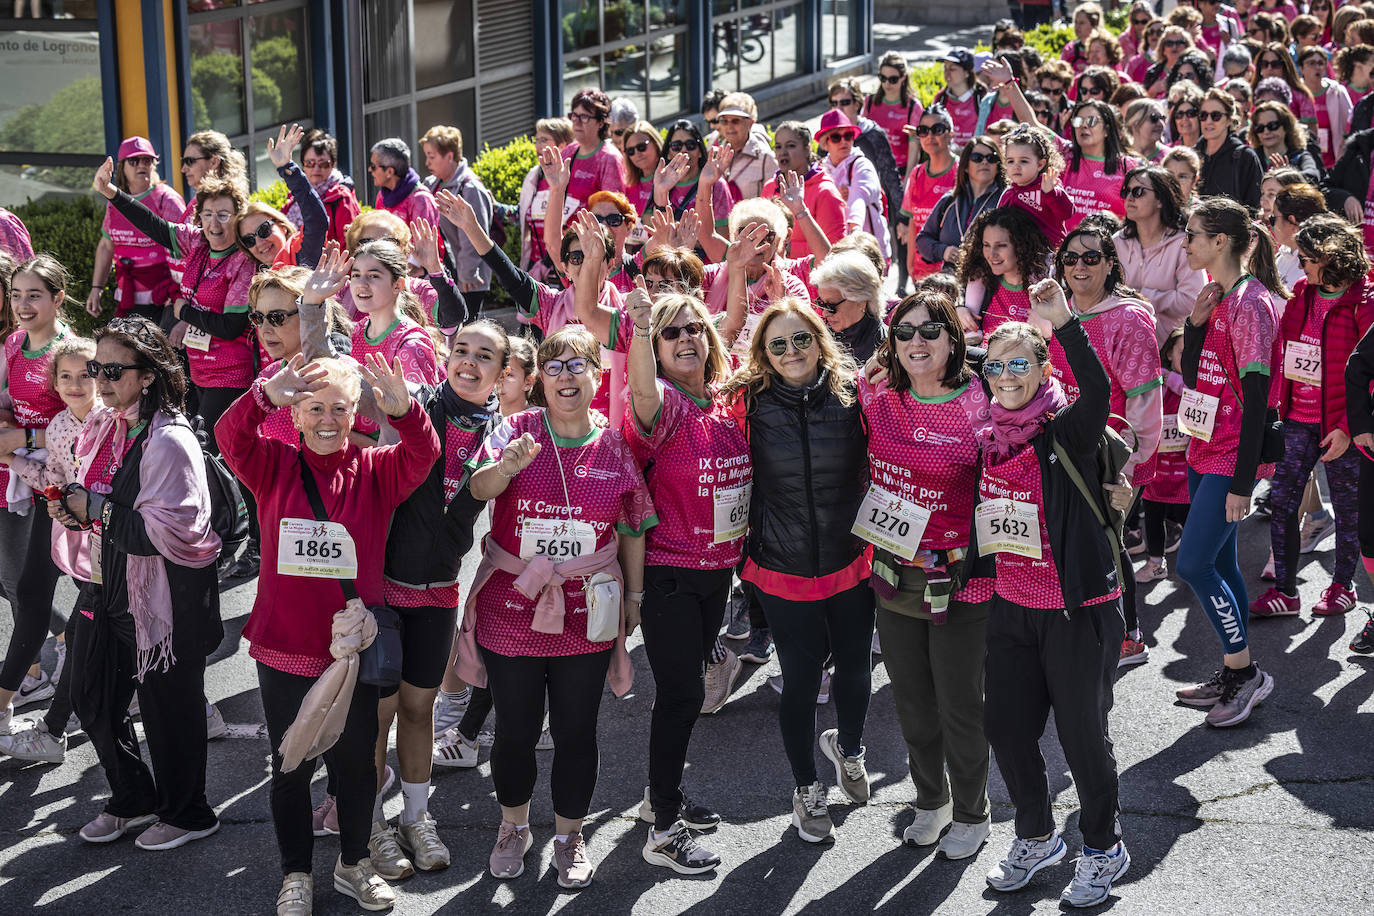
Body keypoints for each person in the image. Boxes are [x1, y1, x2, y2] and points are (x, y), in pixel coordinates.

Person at [219, 290, 440, 911]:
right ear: (296, 414)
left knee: (353, 766)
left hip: (350, 651)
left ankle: (351, 864)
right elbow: (228, 433)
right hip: (284, 644)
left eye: (338, 409)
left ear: (354, 414)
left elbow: (423, 455)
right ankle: (296, 875)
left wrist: (408, 409)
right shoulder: (272, 467)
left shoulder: (375, 469)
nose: (326, 419)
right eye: (314, 408)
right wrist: (265, 393)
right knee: (289, 763)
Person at [459, 325, 653, 890]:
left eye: (577, 366)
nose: (565, 377)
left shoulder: (615, 443)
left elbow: (632, 526)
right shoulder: (514, 429)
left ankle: (569, 836)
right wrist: (508, 468)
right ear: (539, 376)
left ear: (598, 375)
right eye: (553, 366)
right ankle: (513, 826)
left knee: (576, 732)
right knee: (515, 731)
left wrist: (634, 598)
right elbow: (479, 489)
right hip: (512, 610)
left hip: (588, 614)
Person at [977, 278, 1130, 910]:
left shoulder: (1066, 430)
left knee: (1081, 737)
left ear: (1042, 368)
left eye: (1020, 364)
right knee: (1008, 731)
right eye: (996, 366)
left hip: (1076, 610)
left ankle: (1102, 847)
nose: (1007, 376)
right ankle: (1037, 835)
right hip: (1011, 606)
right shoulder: (985, 433)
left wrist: (1064, 321)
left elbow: (1099, 389)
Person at [57, 315, 223, 851]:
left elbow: (166, 534)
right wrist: (79, 511)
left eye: (112, 369)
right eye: (95, 367)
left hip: (164, 599)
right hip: (105, 586)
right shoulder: (111, 425)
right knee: (92, 698)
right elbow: (105, 504)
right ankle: (133, 797)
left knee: (168, 712)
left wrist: (96, 508)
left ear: (148, 374)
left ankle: (189, 813)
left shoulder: (170, 439)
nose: (100, 379)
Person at [721, 299, 872, 845]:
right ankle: (807, 788)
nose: (791, 352)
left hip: (851, 560)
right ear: (764, 352)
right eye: (777, 344)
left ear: (820, 340)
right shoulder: (745, 403)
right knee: (802, 683)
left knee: (856, 672)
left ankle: (850, 750)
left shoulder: (856, 394)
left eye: (800, 340)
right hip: (781, 568)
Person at [372, 319, 510, 877]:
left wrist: (509, 465)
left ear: (502, 373)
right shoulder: (418, 405)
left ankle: (415, 818)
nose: (469, 362)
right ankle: (370, 826)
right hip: (382, 586)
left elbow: (481, 487)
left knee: (419, 709)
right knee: (377, 715)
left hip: (439, 589)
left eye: (484, 355)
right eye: (461, 350)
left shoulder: (499, 431)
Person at [859, 291, 994, 860]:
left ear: (954, 340)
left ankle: (972, 811)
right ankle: (930, 800)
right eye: (905, 331)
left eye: (930, 330)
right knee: (912, 700)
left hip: (960, 577)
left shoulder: (983, 404)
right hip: (893, 570)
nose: (917, 341)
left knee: (959, 703)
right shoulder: (877, 396)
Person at [618, 284, 748, 873]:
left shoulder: (722, 401)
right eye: (670, 333)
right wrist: (640, 331)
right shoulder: (663, 402)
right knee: (681, 696)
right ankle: (664, 832)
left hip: (716, 573)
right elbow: (641, 388)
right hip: (668, 570)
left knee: (689, 687)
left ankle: (657, 798)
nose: (685, 338)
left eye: (693, 326)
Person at [1174, 197, 1285, 728]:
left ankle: (1245, 673)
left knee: (1192, 563)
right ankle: (1233, 668)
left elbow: (1260, 400)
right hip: (1203, 446)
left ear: (1221, 241)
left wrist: (1244, 482)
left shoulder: (1252, 303)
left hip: (1230, 460)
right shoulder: (1214, 295)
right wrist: (1195, 327)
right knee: (1218, 564)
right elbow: (1196, 376)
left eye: (1192, 232)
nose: (1185, 240)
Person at [1048, 226, 1164, 668]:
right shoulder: (1058, 312)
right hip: (1067, 453)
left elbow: (1145, 400)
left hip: (1112, 458)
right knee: (1080, 543)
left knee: (1110, 546)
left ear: (1110, 264)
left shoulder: (1128, 319)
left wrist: (1127, 466)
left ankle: (1129, 637)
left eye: (1091, 258)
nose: (1080, 266)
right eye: (1071, 258)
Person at [92, 158, 258, 457]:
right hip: (197, 371)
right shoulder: (197, 242)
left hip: (230, 375)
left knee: (205, 451)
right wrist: (111, 192)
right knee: (186, 441)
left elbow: (231, 326)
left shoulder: (242, 262)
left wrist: (183, 312)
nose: (214, 223)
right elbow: (153, 225)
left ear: (237, 217)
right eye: (207, 214)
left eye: (223, 214)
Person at [1250, 215, 1373, 619]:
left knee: (1347, 509)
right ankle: (1286, 591)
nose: (1299, 264)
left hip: (1343, 426)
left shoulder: (1365, 301)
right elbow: (1284, 348)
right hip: (1298, 419)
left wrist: (1348, 427)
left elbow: (1368, 375)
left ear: (1328, 255)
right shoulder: (1302, 292)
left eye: (1305, 256)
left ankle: (1343, 586)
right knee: (1283, 502)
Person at [0, 335, 97, 764]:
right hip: (70, 534)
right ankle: (40, 724)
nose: (76, 385)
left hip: (108, 543)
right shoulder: (58, 426)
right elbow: (52, 477)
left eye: (86, 375)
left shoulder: (108, 421)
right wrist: (14, 462)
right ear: (55, 386)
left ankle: (197, 708)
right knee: (37, 597)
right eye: (66, 378)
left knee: (93, 629)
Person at [0, 257, 71, 732]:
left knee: (24, 587)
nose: (23, 305)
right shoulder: (12, 343)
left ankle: (22, 691)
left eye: (34, 296)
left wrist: (23, 438)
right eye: (16, 295)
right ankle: (67, 644)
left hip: (61, 482)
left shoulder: (68, 354)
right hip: (19, 473)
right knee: (16, 583)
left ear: (58, 299)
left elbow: (82, 424)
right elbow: (9, 396)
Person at [88, 136, 185, 322]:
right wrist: (96, 289)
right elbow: (106, 246)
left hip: (164, 298)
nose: (141, 165)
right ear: (122, 167)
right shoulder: (115, 201)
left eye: (147, 160)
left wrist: (179, 298)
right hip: (128, 294)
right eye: (134, 161)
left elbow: (185, 248)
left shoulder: (167, 199)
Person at [1114, 165, 1205, 345]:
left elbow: (1192, 301)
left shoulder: (1184, 244)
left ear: (1160, 200)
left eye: (1138, 191)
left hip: (1170, 353)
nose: (1130, 198)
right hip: (1121, 347)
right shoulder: (1117, 241)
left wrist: (1140, 297)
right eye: (1127, 191)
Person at [1137, 329, 1191, 586]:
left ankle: (1197, 568)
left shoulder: (1202, 385)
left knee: (1190, 523)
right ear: (1169, 353)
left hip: (1187, 473)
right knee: (1153, 516)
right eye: (1183, 351)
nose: (1191, 356)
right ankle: (1156, 564)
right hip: (1157, 470)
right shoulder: (1155, 382)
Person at [422, 124, 494, 313]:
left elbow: (476, 235)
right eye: (426, 156)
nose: (427, 163)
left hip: (468, 279)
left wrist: (467, 273)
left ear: (450, 156)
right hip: (445, 273)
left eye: (432, 156)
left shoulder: (470, 188)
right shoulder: (430, 185)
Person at [237, 125, 328, 272]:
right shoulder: (256, 276)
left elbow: (317, 221)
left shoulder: (302, 255)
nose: (259, 242)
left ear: (282, 226)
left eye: (263, 230)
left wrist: (286, 167)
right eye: (249, 240)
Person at [915, 136, 1005, 283]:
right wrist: (943, 251)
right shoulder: (950, 200)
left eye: (991, 158)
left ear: (998, 165)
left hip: (992, 285)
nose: (984, 162)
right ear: (965, 166)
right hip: (951, 285)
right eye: (977, 157)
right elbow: (922, 240)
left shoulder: (1005, 200)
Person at [957, 207, 1054, 342]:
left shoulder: (1046, 288)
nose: (992, 254)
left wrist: (1050, 333)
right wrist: (958, 312)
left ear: (1021, 246)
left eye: (1001, 245)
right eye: (986, 245)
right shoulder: (979, 283)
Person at [763, 121, 846, 261]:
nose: (782, 152)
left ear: (807, 149)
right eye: (778, 147)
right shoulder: (769, 187)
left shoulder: (826, 192)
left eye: (790, 146)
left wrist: (783, 247)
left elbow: (835, 251)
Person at [816, 110, 890, 266]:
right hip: (835, 251)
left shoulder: (862, 165)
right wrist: (836, 196)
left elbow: (858, 197)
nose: (844, 142)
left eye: (848, 136)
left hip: (867, 250)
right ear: (825, 142)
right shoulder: (820, 168)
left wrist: (855, 230)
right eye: (836, 137)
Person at [899, 106, 960, 282]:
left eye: (937, 130)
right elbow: (913, 223)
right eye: (923, 131)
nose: (930, 136)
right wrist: (910, 263)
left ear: (951, 133)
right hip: (920, 271)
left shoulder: (961, 172)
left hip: (950, 272)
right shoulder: (917, 173)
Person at [518, 118, 575, 282]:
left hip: (562, 268)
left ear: (563, 145)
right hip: (534, 267)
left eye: (544, 140)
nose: (538, 146)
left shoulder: (571, 177)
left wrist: (548, 262)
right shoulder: (534, 175)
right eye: (536, 140)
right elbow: (523, 212)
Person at [286, 129, 361, 252]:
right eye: (310, 163)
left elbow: (350, 245)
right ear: (303, 164)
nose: (316, 169)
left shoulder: (341, 197)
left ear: (334, 164)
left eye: (324, 164)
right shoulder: (297, 193)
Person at [812, 250, 886, 365]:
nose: (824, 313)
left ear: (861, 300)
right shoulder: (821, 342)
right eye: (821, 304)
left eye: (831, 306)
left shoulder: (887, 349)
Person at [563, 88, 628, 215]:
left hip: (592, 233)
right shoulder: (568, 152)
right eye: (574, 116)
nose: (577, 122)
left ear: (601, 122)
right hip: (564, 233)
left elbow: (612, 211)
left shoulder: (609, 158)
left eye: (584, 117)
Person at [369, 139, 443, 245]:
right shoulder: (382, 196)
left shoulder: (421, 199)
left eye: (373, 167)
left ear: (390, 172)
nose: (369, 170)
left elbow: (424, 247)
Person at [714, 92, 777, 204]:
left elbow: (774, 203)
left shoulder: (766, 157)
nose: (729, 126)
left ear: (750, 123)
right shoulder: (713, 155)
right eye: (724, 121)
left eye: (735, 120)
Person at [1296, 45, 1352, 168]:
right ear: (1301, 68)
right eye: (1311, 63)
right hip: (1303, 162)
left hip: (1334, 163)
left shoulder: (1337, 91)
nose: (1317, 67)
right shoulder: (1295, 93)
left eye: (1321, 63)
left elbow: (1350, 124)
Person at [179, 129, 249, 222]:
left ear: (214, 162)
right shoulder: (200, 199)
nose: (183, 169)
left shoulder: (223, 203)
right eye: (183, 162)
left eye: (189, 161)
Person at [1248, 101, 1323, 185]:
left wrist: (1286, 176)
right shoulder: (1250, 157)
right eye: (1260, 128)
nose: (1266, 132)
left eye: (1272, 126)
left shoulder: (1299, 156)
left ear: (1287, 127)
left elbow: (1313, 175)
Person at [930, 49, 984, 149]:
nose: (947, 73)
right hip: (948, 158)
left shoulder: (981, 97)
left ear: (967, 73)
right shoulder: (941, 98)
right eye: (945, 68)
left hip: (976, 157)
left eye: (952, 69)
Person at [1122, 98, 1170, 164]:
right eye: (1154, 118)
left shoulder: (1169, 157)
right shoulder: (1121, 159)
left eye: (1162, 118)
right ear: (1135, 124)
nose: (1160, 124)